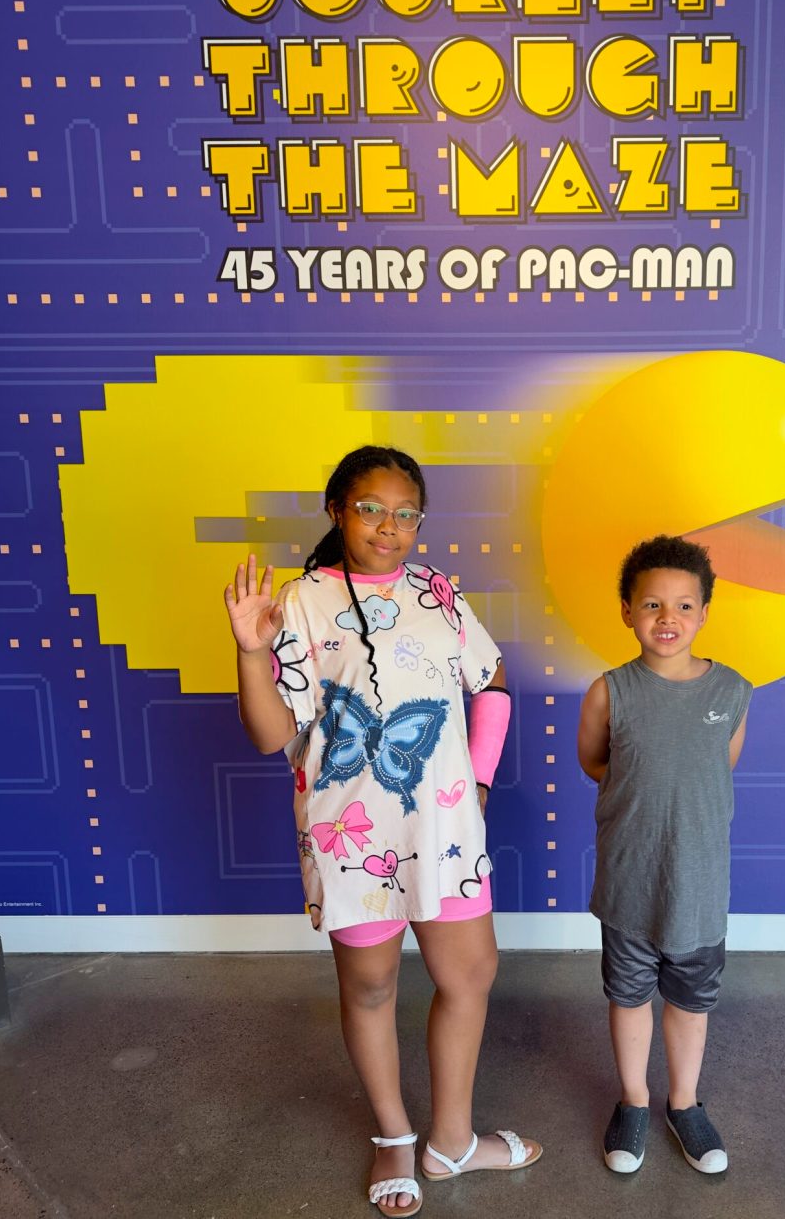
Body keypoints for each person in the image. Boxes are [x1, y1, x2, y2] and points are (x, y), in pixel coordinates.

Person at [224, 445, 541, 1218]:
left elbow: (492, 679)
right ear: (337, 509)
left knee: (469, 974)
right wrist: (250, 652)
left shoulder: (437, 590)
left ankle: (452, 1141)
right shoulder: (300, 601)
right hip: (352, 833)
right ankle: (395, 1136)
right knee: (370, 987)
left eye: (406, 514)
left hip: (444, 828)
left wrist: (481, 780)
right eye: (371, 508)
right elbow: (271, 735)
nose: (389, 527)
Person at [577, 534, 752, 1177]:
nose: (667, 618)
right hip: (630, 882)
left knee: (690, 1002)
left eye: (683, 605)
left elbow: (719, 769)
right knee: (628, 997)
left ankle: (684, 1103)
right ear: (627, 611)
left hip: (699, 887)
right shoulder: (609, 691)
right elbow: (596, 762)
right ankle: (633, 1101)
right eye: (652, 604)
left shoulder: (732, 692)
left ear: (705, 612)